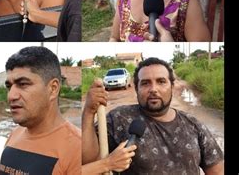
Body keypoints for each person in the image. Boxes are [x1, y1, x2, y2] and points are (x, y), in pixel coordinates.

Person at [82, 57, 224, 174]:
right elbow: (89, 161)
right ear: (136, 89)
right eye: (145, 83)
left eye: (161, 82)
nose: (153, 89)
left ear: (172, 87)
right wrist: (88, 112)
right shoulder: (118, 118)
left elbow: (216, 170)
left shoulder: (193, 125)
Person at [0, 46, 82, 174]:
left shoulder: (77, 149)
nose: (11, 96)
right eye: (9, 86)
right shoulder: (14, 135)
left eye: (23, 84)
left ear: (53, 89)